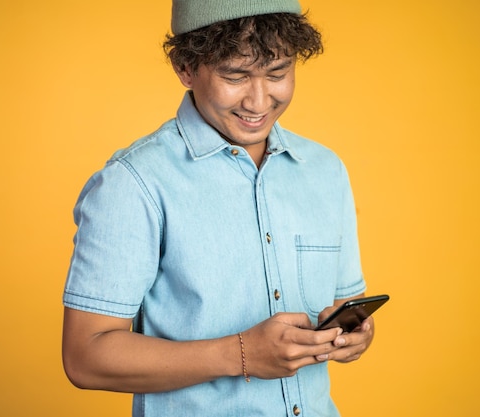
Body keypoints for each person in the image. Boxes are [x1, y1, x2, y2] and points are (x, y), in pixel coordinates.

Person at [62, 1, 375, 415]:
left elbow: (347, 301)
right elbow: (86, 357)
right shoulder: (133, 183)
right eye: (236, 75)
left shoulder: (325, 171)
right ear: (186, 68)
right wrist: (241, 354)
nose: (260, 100)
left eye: (278, 73)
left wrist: (352, 334)